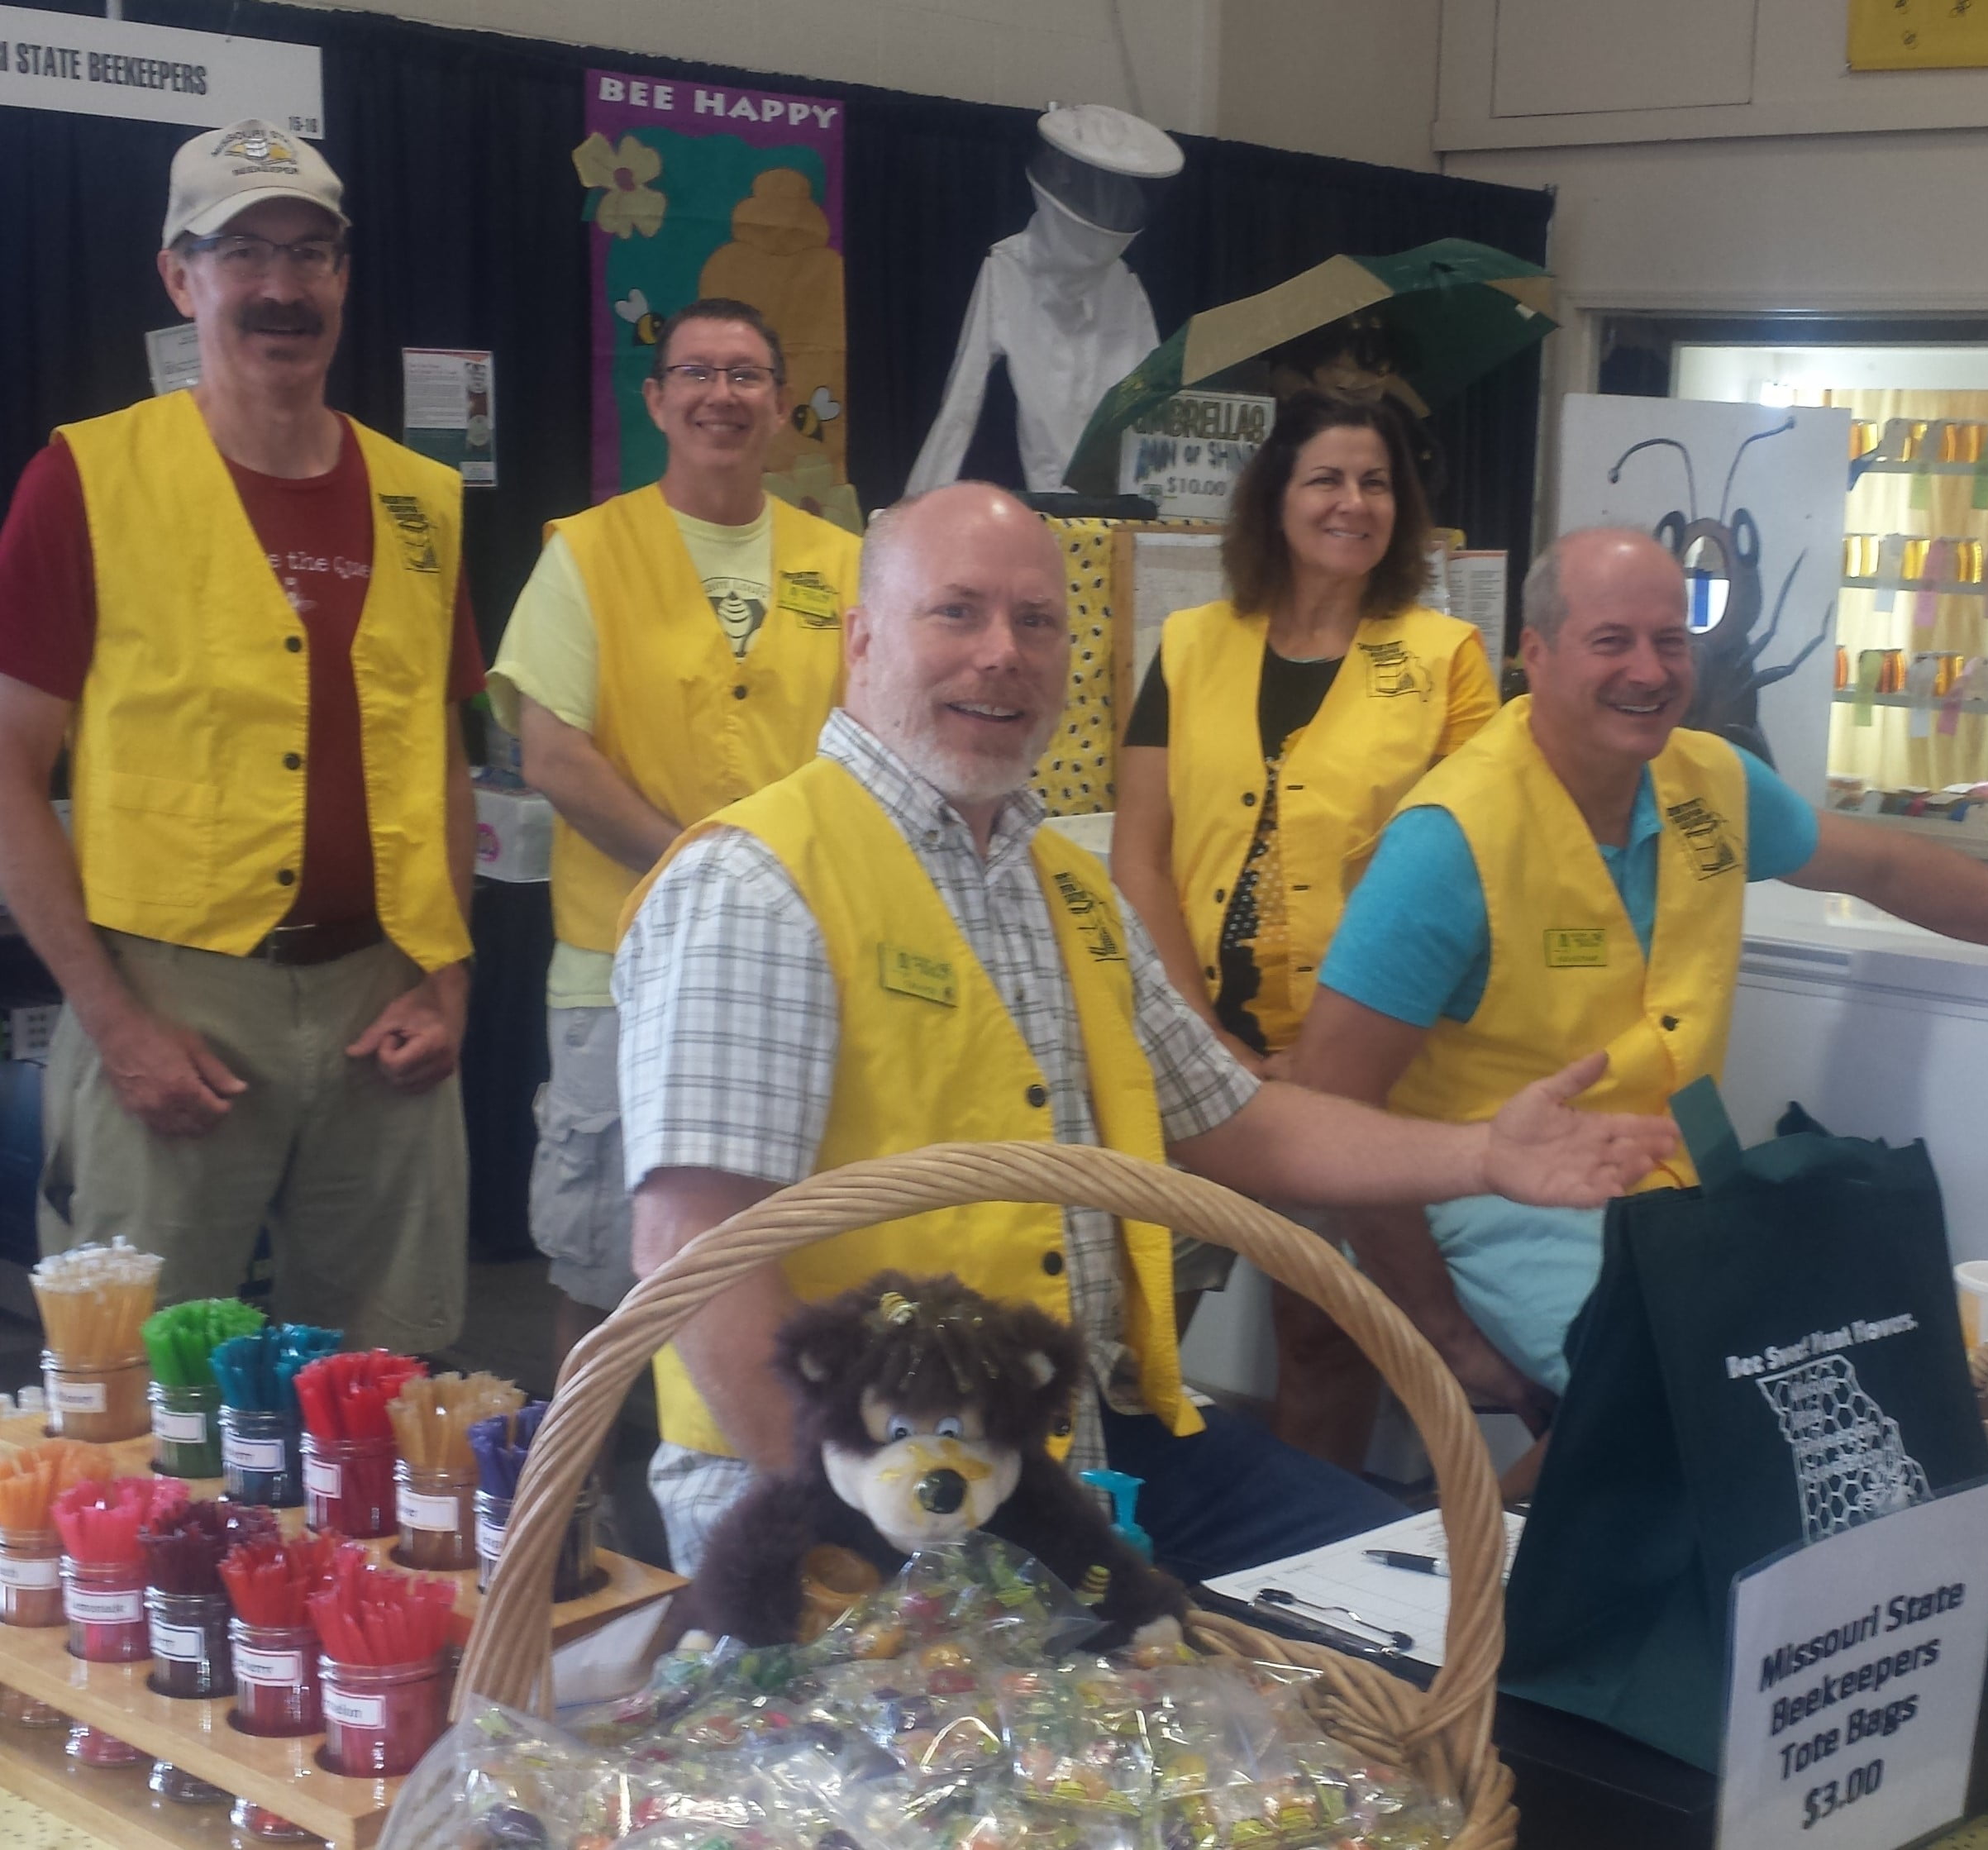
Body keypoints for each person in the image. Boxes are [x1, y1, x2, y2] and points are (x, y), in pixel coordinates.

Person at [611, 483, 1678, 1581]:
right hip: (847, 1492)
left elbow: (1241, 1123)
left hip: (1081, 1446)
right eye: (957, 612)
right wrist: (870, 1531)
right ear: (861, 637)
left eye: (1035, 621)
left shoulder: (1062, 889)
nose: (1002, 653)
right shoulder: (757, 883)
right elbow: (692, 1255)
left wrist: (1480, 1156)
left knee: (1423, 1587)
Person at [1293, 526, 1988, 1429]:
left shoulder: (1708, 783)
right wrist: (1444, 1336)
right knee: (1704, 1399)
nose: (1648, 672)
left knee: (1845, 1362)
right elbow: (1327, 1105)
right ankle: (1499, 1545)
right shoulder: (1449, 839)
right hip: (1499, 1198)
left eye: (1669, 641)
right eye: (1610, 641)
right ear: (1533, 654)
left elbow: (1882, 869)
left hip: (1682, 1187)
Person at [0, 120, 482, 1349]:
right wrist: (112, 1024)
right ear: (180, 275)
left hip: (385, 998)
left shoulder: (420, 500)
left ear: (343, 274)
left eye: (310, 253)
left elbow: (436, 752)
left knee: (385, 1380)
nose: (280, 286)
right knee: (138, 1382)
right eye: (241, 252)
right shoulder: (86, 479)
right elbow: (7, 768)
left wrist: (451, 976)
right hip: (166, 999)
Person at [1111, 389, 1497, 1466]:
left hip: (1352, 1062)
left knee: (1322, 1335)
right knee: (1130, 1318)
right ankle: (1113, 1541)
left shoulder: (1446, 656)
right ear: (1274, 498)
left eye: (1374, 481)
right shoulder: (1189, 643)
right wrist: (1207, 1043)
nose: (1351, 502)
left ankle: (1293, 1583)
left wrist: (1320, 1059)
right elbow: (1138, 851)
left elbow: (1460, 875)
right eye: (1324, 477)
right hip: (1184, 1054)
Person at [489, 299, 861, 1373]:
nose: (721, 396)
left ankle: (762, 1510)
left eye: (747, 376)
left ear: (782, 405)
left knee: (781, 1250)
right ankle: (569, 1508)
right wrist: (703, 873)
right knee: (598, 1261)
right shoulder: (587, 554)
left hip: (797, 963)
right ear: (654, 399)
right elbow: (553, 755)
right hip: (618, 960)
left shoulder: (846, 567)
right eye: (695, 373)